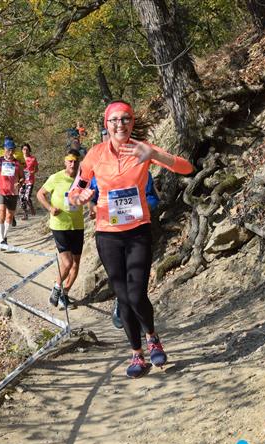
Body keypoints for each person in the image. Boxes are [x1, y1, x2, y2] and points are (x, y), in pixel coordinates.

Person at [69, 100, 194, 378]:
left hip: (138, 231)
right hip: (107, 235)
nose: (120, 124)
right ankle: (137, 353)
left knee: (137, 293)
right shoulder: (95, 155)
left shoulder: (143, 148)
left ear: (132, 122)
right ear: (106, 124)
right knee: (124, 298)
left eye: (125, 118)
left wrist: (156, 155)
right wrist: (80, 197)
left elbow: (187, 168)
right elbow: (74, 192)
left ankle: (152, 337)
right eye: (114, 120)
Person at [89, 172, 160, 330]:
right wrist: (95, 209)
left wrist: (141, 208)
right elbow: (92, 200)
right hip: (110, 236)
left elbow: (153, 198)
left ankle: (143, 321)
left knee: (137, 283)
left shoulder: (141, 171)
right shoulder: (99, 173)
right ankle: (121, 305)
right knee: (120, 278)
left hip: (137, 233)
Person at [36, 150, 85, 310]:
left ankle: (65, 294)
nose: (73, 163)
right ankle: (57, 288)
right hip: (60, 225)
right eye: (70, 161)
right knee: (67, 262)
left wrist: (92, 208)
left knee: (76, 264)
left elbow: (89, 195)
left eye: (75, 161)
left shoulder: (82, 179)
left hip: (77, 225)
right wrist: (50, 208)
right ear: (65, 162)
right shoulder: (55, 177)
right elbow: (40, 194)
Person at [0, 137, 24, 245]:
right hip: (1, 191)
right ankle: (1, 241)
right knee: (1, 213)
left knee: (9, 217)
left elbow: (22, 177)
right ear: (4, 149)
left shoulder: (17, 163)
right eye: (8, 150)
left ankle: (4, 237)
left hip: (13, 192)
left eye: (12, 150)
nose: (10, 152)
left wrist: (20, 183)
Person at [19, 143, 39, 220]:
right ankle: (25, 214)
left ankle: (31, 207)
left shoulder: (33, 159)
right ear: (22, 150)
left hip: (30, 180)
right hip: (21, 180)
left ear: (29, 150)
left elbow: (36, 169)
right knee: (21, 198)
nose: (25, 151)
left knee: (27, 197)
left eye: (27, 149)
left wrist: (32, 172)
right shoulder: (19, 159)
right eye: (24, 149)